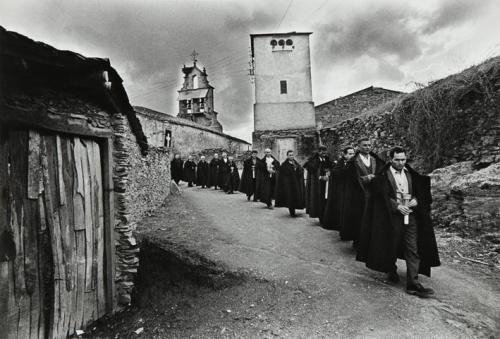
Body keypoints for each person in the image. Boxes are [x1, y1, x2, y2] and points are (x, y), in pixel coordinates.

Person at [357, 147, 440, 297]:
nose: (401, 163)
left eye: (403, 159)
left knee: (412, 248)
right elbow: (380, 196)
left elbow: (420, 192)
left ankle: (413, 283)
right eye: (397, 160)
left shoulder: (411, 174)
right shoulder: (382, 176)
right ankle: (391, 269)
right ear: (391, 159)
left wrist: (416, 201)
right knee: (391, 245)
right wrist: (396, 206)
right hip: (391, 218)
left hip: (411, 217)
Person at [343, 138, 384, 245]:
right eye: (365, 145)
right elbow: (350, 180)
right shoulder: (352, 162)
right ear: (359, 147)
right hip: (359, 194)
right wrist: (366, 178)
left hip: (374, 193)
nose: (367, 147)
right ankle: (359, 241)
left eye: (369, 145)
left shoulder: (376, 160)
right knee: (360, 217)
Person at [322, 146, 355, 231]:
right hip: (342, 190)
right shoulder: (339, 165)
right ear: (344, 155)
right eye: (350, 154)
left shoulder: (356, 163)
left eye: (353, 153)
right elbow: (337, 174)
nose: (352, 155)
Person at [303, 145, 332, 224]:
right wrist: (320, 177)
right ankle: (321, 219)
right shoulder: (313, 160)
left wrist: (329, 173)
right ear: (318, 152)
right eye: (322, 151)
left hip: (326, 183)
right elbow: (312, 171)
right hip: (316, 184)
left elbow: (330, 167)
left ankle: (325, 217)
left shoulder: (327, 159)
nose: (324, 153)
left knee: (325, 200)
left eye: (325, 151)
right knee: (318, 200)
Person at [274, 150, 305, 217]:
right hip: (289, 184)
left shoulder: (296, 163)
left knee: (296, 197)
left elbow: (300, 171)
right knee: (290, 197)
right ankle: (292, 211)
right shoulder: (284, 165)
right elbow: (283, 174)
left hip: (296, 183)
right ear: (287, 156)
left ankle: (295, 208)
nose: (291, 156)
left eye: (292, 155)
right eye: (290, 155)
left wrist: (298, 169)